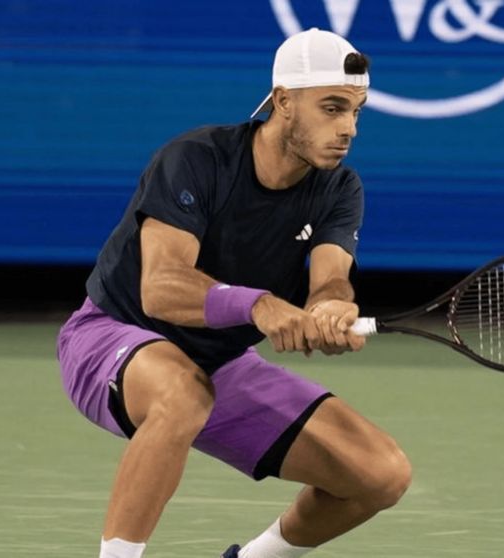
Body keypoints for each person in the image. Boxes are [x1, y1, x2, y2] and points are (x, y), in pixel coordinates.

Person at [56, 28, 412, 558]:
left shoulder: (340, 188)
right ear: (284, 101)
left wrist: (331, 307)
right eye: (333, 108)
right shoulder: (196, 159)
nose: (348, 129)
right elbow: (159, 289)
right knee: (182, 395)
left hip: (218, 363)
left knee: (381, 472)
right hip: (111, 338)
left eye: (357, 111)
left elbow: (330, 277)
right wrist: (260, 306)